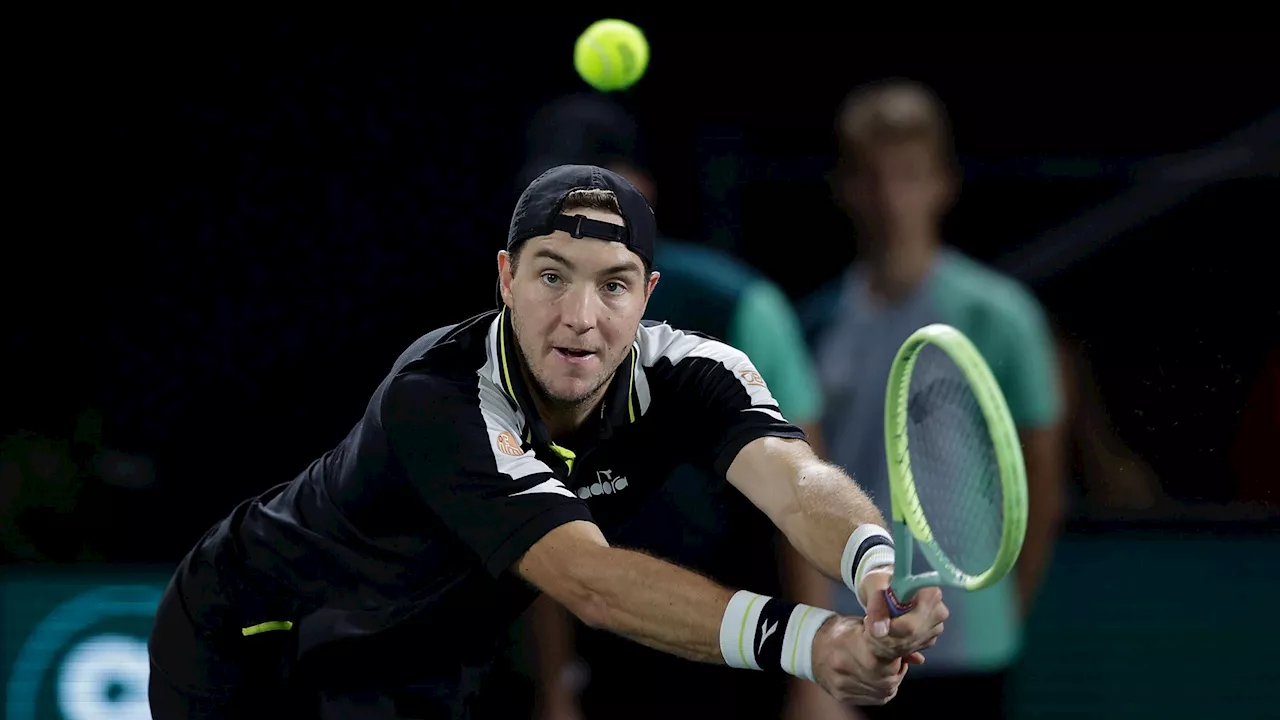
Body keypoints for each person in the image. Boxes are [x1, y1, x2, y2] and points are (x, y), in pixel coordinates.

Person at [147, 164, 949, 719]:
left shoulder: (697, 371)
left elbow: (793, 478)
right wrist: (809, 641)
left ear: (647, 295)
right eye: (552, 275)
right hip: (255, 634)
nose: (580, 318)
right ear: (505, 278)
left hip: (424, 656)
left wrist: (871, 568)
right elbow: (591, 581)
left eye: (612, 284)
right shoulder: (440, 399)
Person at [502, 94, 846, 720]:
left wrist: (815, 677)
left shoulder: (741, 306)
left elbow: (802, 494)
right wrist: (554, 685)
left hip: (745, 655)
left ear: (640, 192)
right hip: (607, 660)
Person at [799, 79, 1066, 719]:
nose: (891, 197)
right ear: (842, 188)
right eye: (871, 176)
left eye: (910, 175)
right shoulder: (811, 323)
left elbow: (1043, 487)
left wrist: (998, 617)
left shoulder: (1005, 319)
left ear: (944, 183)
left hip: (971, 649)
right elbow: (801, 495)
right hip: (851, 643)